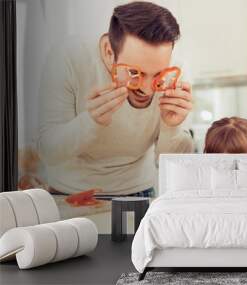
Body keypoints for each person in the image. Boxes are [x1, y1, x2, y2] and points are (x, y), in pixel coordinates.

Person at [37, 2, 194, 196]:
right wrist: (90, 122)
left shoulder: (174, 75)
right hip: (69, 194)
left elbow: (170, 165)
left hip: (140, 191)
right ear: (110, 53)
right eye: (134, 72)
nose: (146, 89)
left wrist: (171, 127)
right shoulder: (68, 58)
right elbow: (48, 152)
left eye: (158, 74)